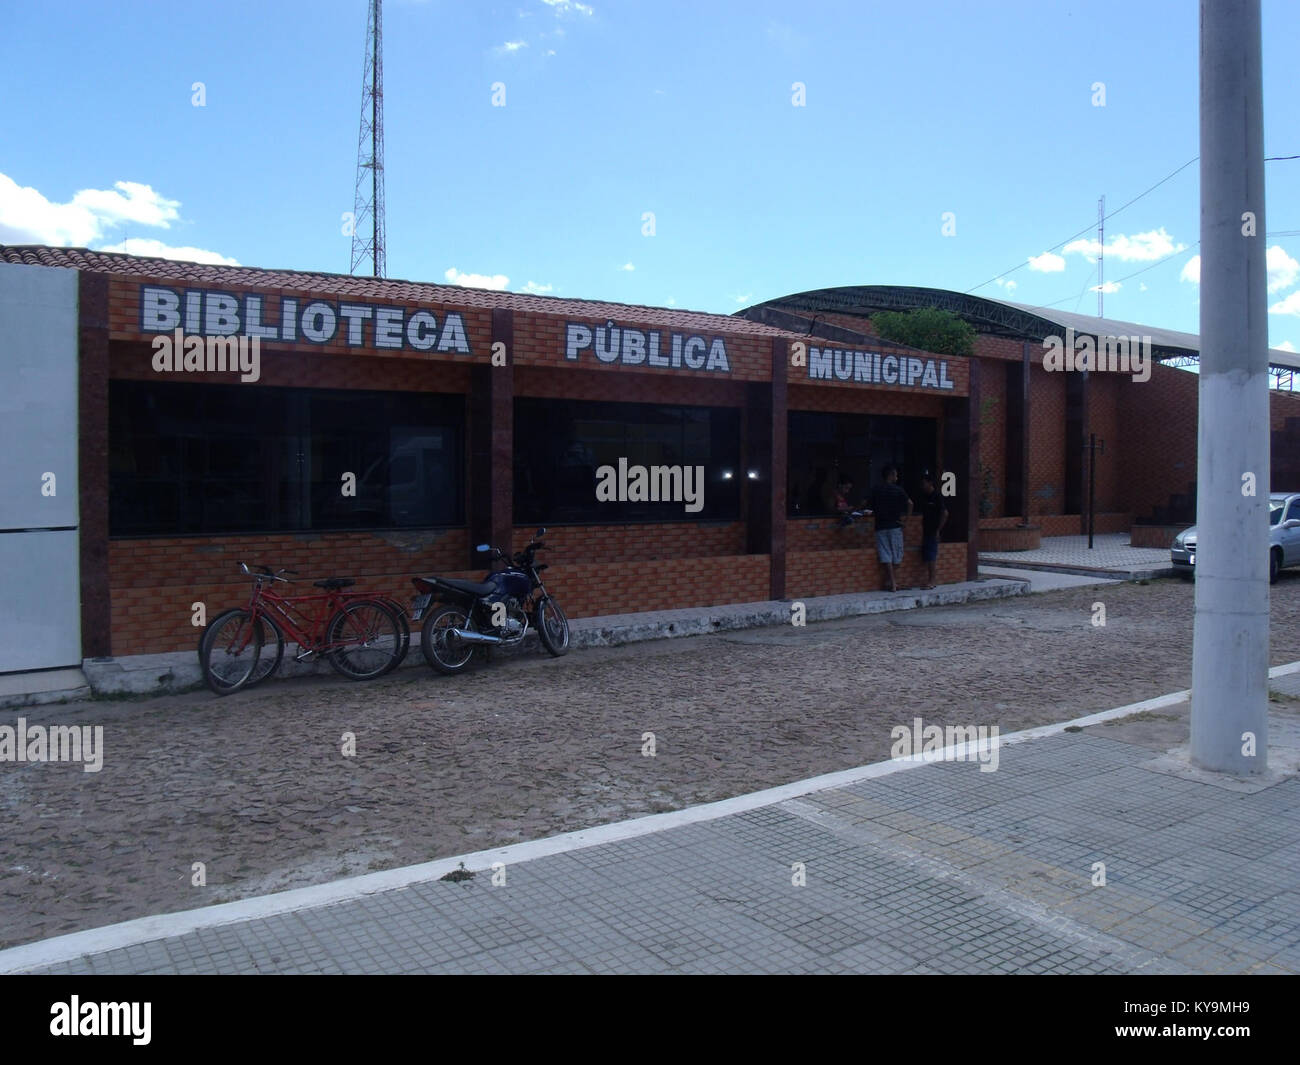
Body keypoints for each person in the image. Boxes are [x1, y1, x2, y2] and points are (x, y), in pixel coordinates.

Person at [863, 464, 912, 592]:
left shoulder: (876, 489)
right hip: (895, 527)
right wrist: (906, 521)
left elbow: (864, 503)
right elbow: (910, 503)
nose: (897, 477)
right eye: (896, 475)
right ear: (891, 475)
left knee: (886, 555)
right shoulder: (898, 490)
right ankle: (892, 582)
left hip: (880, 527)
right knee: (897, 556)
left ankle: (892, 583)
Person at [917, 473, 949, 589]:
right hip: (926, 530)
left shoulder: (937, 496)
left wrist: (938, 530)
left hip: (933, 531)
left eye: (924, 483)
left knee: (931, 556)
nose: (922, 486)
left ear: (930, 483)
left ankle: (932, 581)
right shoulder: (925, 497)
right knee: (927, 555)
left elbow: (945, 513)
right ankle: (930, 580)